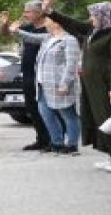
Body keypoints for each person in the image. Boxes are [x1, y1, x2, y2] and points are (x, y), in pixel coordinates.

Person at [44, 0, 111, 173]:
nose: (91, 18)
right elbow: (73, 24)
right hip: (97, 86)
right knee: (104, 119)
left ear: (107, 16)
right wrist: (51, 13)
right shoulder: (96, 31)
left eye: (94, 15)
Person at [8, 17, 82, 155]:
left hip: (59, 84)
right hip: (43, 84)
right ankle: (57, 143)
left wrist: (65, 84)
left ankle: (72, 145)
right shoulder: (48, 38)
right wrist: (15, 31)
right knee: (46, 115)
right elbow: (30, 37)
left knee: (68, 114)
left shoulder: (69, 40)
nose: (44, 24)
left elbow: (71, 65)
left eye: (47, 21)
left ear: (56, 23)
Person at [0, 1, 53, 151]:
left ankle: (54, 140)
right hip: (28, 72)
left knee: (46, 108)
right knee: (32, 108)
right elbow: (6, 34)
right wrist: (5, 25)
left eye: (28, 11)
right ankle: (41, 139)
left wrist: (16, 31)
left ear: (39, 12)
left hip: (44, 73)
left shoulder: (50, 27)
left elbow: (32, 38)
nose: (25, 14)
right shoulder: (27, 27)